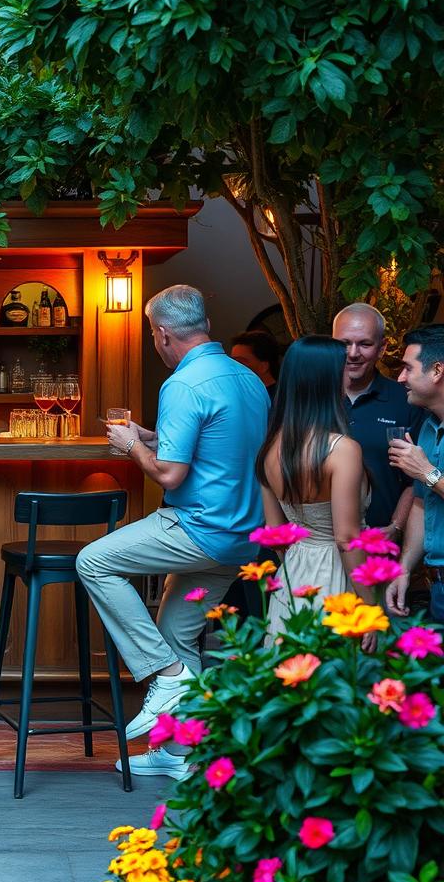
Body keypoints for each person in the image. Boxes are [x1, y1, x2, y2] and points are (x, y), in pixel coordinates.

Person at [76, 285, 269, 779]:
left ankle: (164, 675)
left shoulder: (182, 385)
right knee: (178, 634)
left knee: (93, 561)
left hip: (196, 528)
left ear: (162, 334)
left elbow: (169, 475)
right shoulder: (245, 378)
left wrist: (128, 446)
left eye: (153, 336)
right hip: (240, 537)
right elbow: (213, 446)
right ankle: (182, 755)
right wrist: (150, 435)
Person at [257, 337, 373, 641]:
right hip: (336, 576)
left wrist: (299, 565)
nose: (349, 374)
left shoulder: (270, 448)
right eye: (344, 366)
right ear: (326, 378)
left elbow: (275, 532)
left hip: (292, 579)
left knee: (293, 677)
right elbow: (346, 538)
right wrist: (370, 607)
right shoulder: (342, 449)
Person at [332, 303, 423, 539]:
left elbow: (416, 479)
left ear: (382, 348)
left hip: (379, 547)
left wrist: (396, 526)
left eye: (365, 344)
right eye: (344, 344)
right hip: (320, 546)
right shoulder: (311, 400)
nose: (353, 353)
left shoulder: (406, 401)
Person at [386, 324, 444, 623]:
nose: (400, 378)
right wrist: (405, 568)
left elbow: (428, 480)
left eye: (408, 368)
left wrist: (427, 472)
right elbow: (421, 503)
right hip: (437, 585)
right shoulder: (427, 427)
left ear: (437, 370)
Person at [230, 329, 280, 401]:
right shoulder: (242, 397)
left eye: (240, 362)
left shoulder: (280, 400)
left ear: (264, 366)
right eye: (232, 362)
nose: (233, 368)